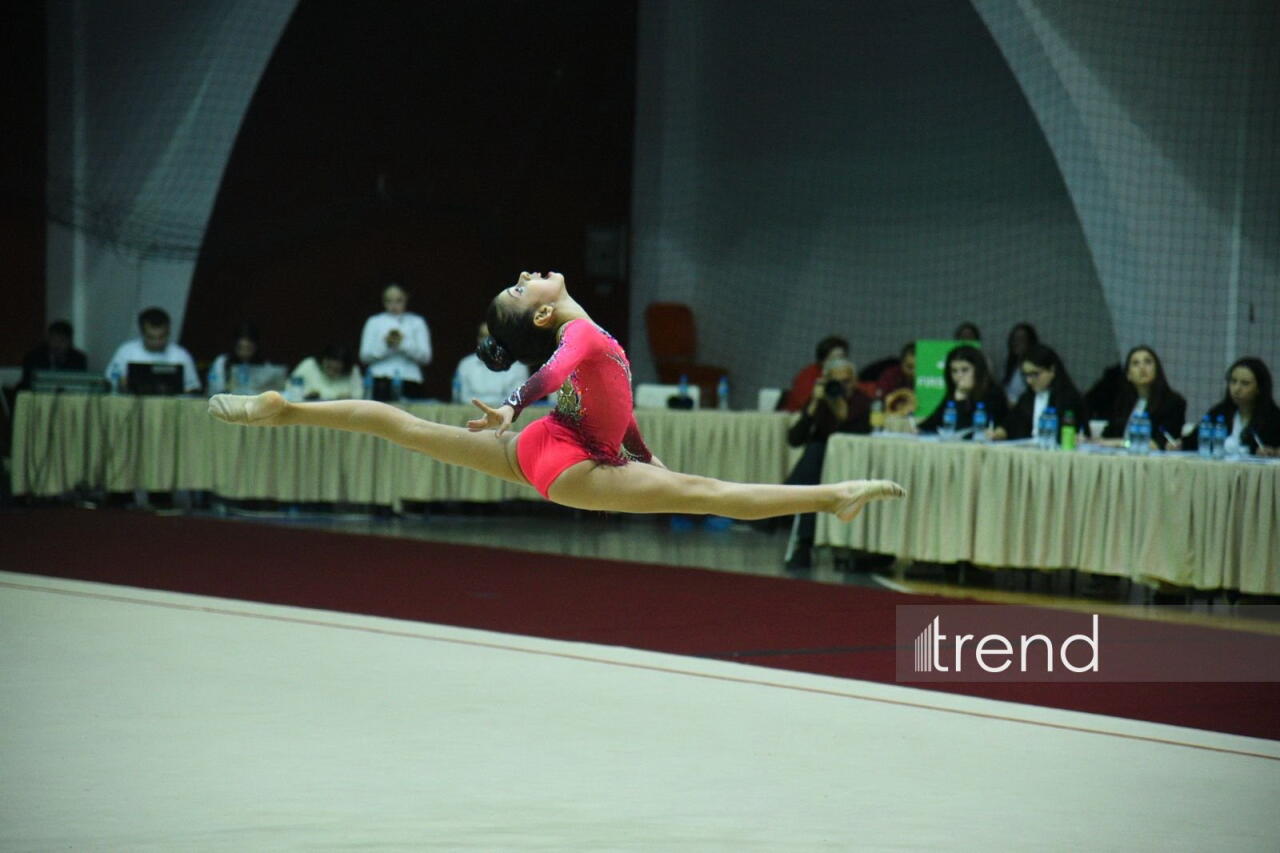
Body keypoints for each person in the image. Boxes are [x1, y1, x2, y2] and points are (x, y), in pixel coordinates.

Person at [210, 271, 905, 522]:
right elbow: (550, 377)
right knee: (707, 493)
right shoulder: (579, 336)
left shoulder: (588, 339)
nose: (525, 274)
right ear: (543, 316)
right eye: (522, 287)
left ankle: (287, 409)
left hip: (550, 449)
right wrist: (513, 403)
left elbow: (616, 405)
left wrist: (644, 452)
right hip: (565, 459)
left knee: (404, 425)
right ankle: (832, 496)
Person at [782, 358, 872, 570]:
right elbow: (794, 439)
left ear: (855, 381)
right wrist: (813, 404)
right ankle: (803, 542)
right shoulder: (821, 401)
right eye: (837, 382)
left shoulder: (862, 402)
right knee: (814, 454)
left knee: (815, 453)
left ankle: (787, 518)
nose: (843, 387)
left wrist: (841, 408)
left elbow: (859, 436)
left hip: (852, 464)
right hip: (820, 470)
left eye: (847, 381)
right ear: (826, 381)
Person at [1181, 357, 1279, 456]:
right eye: (1233, 381)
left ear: (1260, 388)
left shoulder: (1274, 419)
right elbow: (1193, 441)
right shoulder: (1219, 412)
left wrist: (1274, 452)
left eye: (1245, 383)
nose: (1237, 389)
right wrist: (1180, 444)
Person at [994, 344, 1086, 441]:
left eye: (1035, 374)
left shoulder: (1069, 398)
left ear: (1052, 370)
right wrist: (1001, 431)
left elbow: (1078, 433)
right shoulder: (1026, 398)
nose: (1029, 380)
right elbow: (1010, 423)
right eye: (1026, 375)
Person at [1101, 345, 1186, 450]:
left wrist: (1120, 443)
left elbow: (1160, 443)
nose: (1142, 367)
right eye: (1136, 363)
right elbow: (1105, 437)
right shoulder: (1122, 403)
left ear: (1157, 369)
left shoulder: (1173, 403)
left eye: (1148, 362)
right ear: (1128, 375)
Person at [916, 345, 1008, 437]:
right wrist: (917, 428)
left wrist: (960, 400)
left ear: (978, 370)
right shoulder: (954, 393)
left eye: (965, 370)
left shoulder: (994, 394)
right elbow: (934, 422)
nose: (959, 375)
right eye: (954, 371)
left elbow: (967, 431)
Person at [359, 283, 432, 399]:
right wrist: (386, 346)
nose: (393, 305)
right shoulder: (374, 322)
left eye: (398, 301)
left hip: (410, 379)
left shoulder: (417, 322)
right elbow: (364, 356)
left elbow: (426, 357)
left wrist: (403, 345)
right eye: (389, 301)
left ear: (406, 299)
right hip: (380, 379)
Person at [104, 307, 201, 393]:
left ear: (169, 333)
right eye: (151, 337)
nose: (156, 342)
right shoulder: (126, 352)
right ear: (142, 333)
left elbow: (194, 388)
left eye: (161, 337)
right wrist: (120, 383)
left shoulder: (181, 355)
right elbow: (109, 382)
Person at [453, 322, 530, 406]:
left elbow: (515, 400)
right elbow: (463, 398)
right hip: (470, 414)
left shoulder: (518, 366)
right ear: (478, 338)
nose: (488, 340)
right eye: (483, 336)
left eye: (492, 336)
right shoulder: (466, 364)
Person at [781, 335, 848, 412]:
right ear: (823, 360)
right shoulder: (807, 375)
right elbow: (807, 404)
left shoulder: (844, 376)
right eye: (835, 358)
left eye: (843, 358)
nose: (840, 363)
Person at [18, 320, 88, 390]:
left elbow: (79, 384)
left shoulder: (78, 359)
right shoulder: (33, 357)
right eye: (54, 339)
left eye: (62, 340)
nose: (57, 345)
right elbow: (27, 383)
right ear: (48, 339)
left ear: (69, 342)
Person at [206, 323, 274, 395]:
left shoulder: (265, 365)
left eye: (248, 348)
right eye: (240, 348)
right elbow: (214, 389)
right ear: (234, 346)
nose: (244, 353)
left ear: (256, 347)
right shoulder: (221, 362)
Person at [289, 344, 364, 401]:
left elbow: (359, 397)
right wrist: (306, 394)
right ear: (323, 360)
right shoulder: (309, 364)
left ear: (344, 368)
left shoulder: (353, 371)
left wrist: (349, 399)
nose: (331, 372)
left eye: (336, 370)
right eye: (328, 367)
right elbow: (290, 387)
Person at [1000, 322, 1039, 404]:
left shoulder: (1036, 367)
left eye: (1021, 340)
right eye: (1014, 340)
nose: (1016, 343)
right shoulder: (1011, 365)